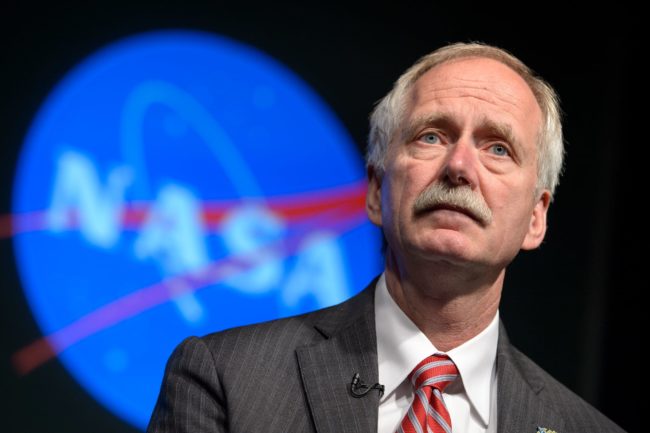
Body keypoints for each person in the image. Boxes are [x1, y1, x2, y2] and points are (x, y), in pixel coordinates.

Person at [147, 42, 625, 433]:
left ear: (536, 218)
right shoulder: (225, 379)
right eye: (432, 136)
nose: (459, 166)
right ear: (377, 190)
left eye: (498, 148)